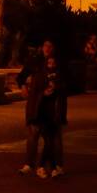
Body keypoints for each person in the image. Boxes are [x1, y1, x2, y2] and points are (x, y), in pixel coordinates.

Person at [17, 40, 66, 178]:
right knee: (34, 133)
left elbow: (65, 81)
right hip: (37, 103)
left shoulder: (58, 62)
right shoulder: (35, 61)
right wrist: (23, 86)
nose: (47, 48)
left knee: (53, 137)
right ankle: (30, 164)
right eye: (45, 45)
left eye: (50, 46)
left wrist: (56, 88)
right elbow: (21, 76)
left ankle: (52, 165)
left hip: (53, 105)